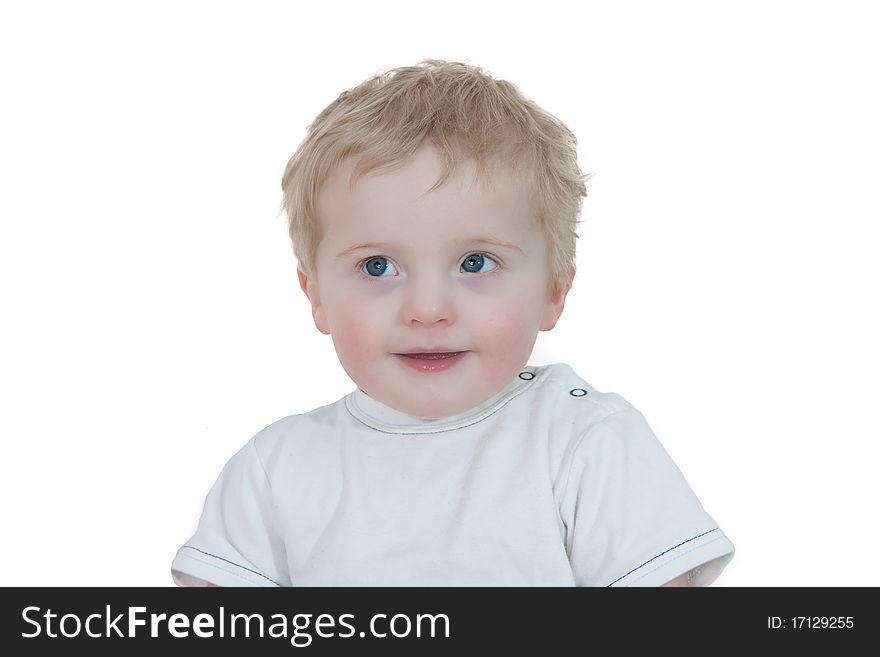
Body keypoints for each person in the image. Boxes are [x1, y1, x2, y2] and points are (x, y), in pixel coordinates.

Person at [171, 60, 734, 587]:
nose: (428, 309)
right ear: (315, 296)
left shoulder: (583, 441)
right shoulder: (275, 470)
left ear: (554, 290)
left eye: (475, 264)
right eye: (378, 267)